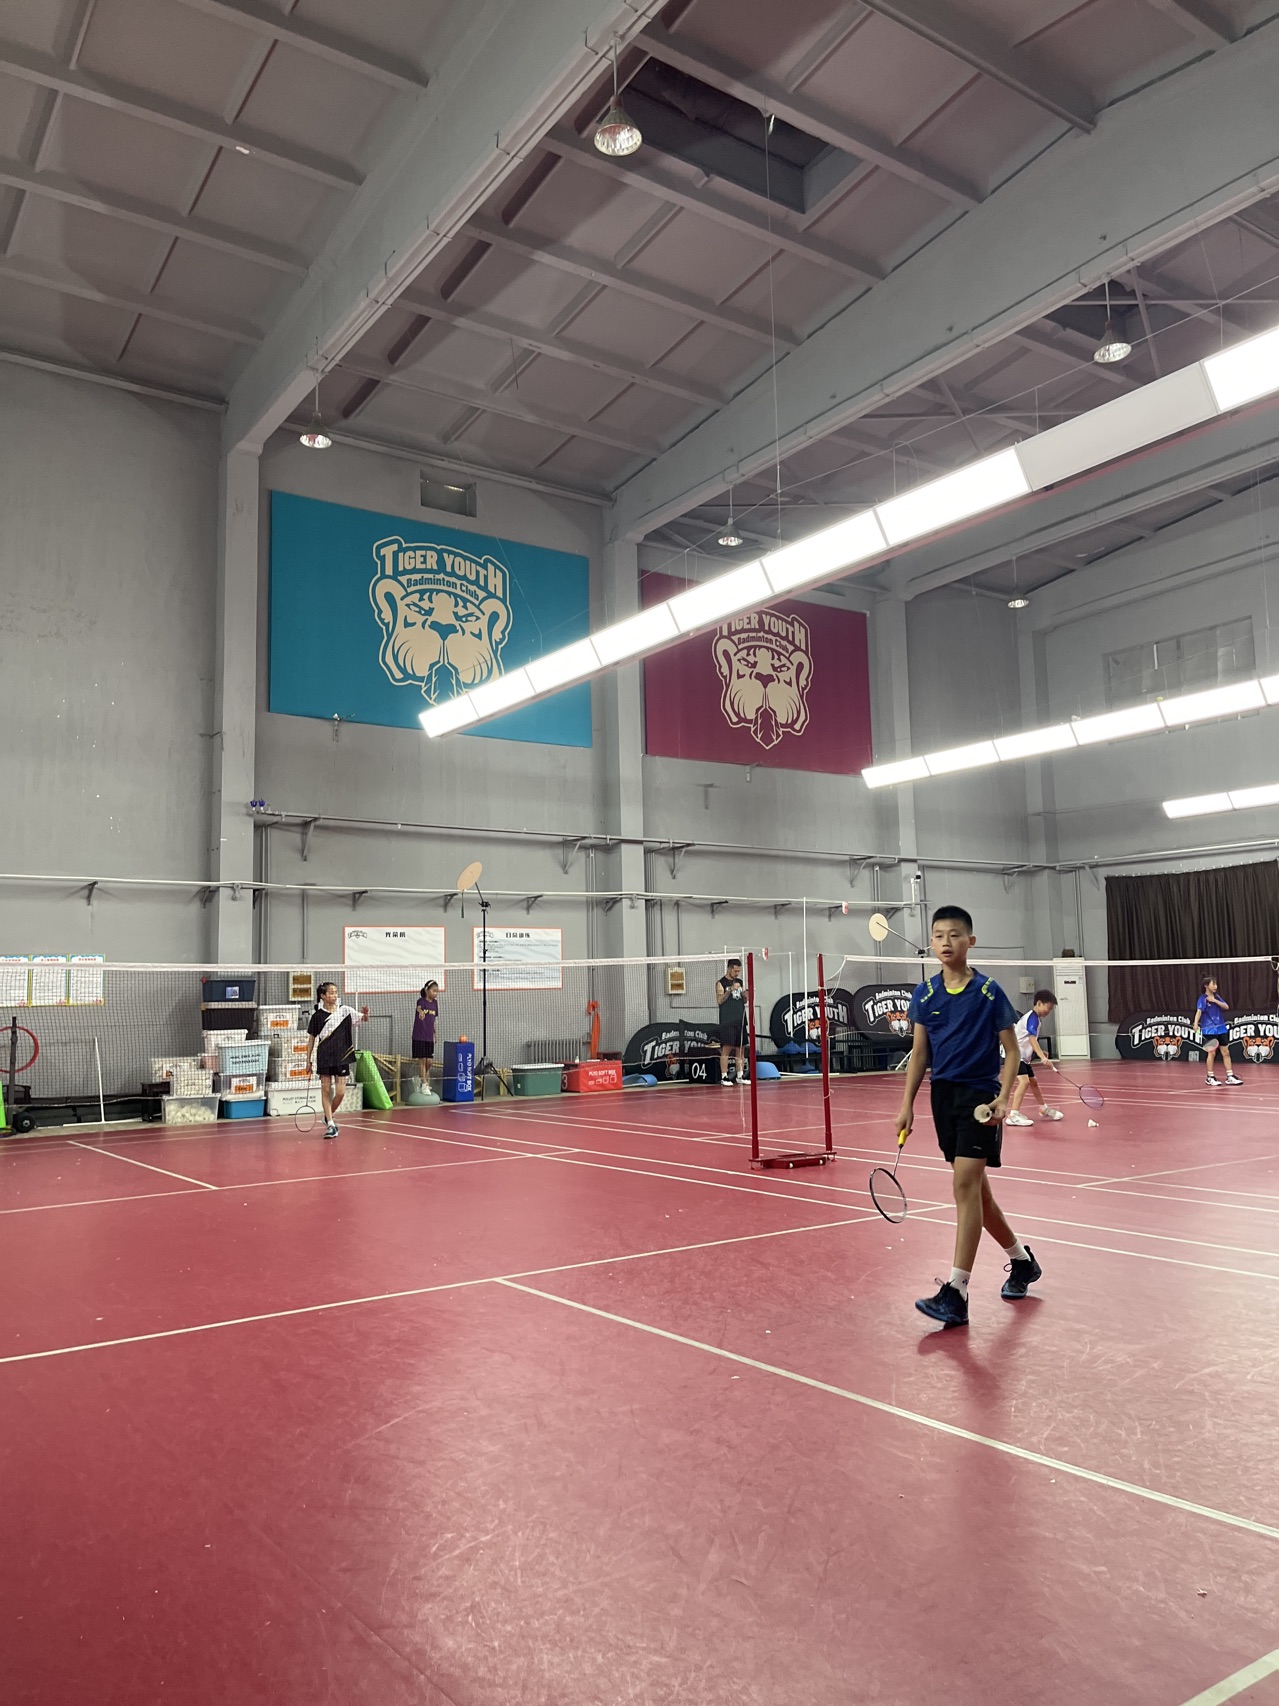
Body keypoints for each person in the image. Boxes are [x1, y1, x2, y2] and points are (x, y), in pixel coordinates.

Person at [896, 905, 1041, 1327]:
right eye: (939, 935)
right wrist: (906, 1105)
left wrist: (1003, 1098)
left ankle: (956, 1293)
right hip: (943, 1097)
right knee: (979, 1196)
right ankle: (1022, 1262)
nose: (946, 942)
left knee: (963, 1187)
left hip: (980, 1099)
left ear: (970, 941)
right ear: (931, 942)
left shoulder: (989, 992)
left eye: (955, 934)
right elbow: (919, 1054)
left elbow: (1012, 1051)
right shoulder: (924, 994)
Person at [306, 982, 369, 1138]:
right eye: (331, 992)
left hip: (342, 1057)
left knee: (340, 1093)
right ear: (323, 996)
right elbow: (311, 1040)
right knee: (326, 1091)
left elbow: (363, 1019)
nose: (334, 995)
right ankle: (331, 1124)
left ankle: (328, 1116)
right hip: (324, 1058)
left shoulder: (345, 1011)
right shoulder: (317, 1016)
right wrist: (308, 1060)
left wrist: (366, 1014)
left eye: (335, 992)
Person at [1004, 990, 1065, 1127]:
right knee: (1024, 1082)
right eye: (1048, 1008)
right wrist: (1042, 1058)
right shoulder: (1032, 1018)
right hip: (1015, 1054)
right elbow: (1031, 1039)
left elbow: (1027, 1039)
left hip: (1022, 1056)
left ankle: (1043, 1108)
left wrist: (1039, 1052)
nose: (1048, 1012)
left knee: (1033, 1082)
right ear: (1039, 1003)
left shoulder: (1034, 1019)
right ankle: (1013, 1115)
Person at [1194, 976, 1241, 1087]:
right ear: (1206, 986)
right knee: (1212, 1053)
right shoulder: (1202, 999)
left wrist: (1215, 1001)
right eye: (1213, 984)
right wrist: (1195, 1024)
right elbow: (1199, 1012)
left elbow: (1226, 1006)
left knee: (1226, 1052)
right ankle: (1210, 1077)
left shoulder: (1217, 997)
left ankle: (1230, 1076)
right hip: (1209, 1030)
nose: (1215, 986)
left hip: (1221, 1028)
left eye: (1216, 984)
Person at [716, 958, 749, 1085]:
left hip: (740, 1019)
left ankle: (740, 1075)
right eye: (735, 971)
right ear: (729, 969)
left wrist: (745, 995)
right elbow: (719, 1001)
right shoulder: (721, 983)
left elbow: (744, 1001)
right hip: (727, 1021)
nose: (737, 973)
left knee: (740, 1048)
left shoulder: (739, 982)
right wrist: (730, 990)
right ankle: (724, 1076)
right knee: (727, 1048)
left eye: (738, 971)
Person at [413, 981, 440, 1077]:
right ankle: (424, 1083)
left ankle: (420, 1077)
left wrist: (435, 1034)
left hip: (429, 1037)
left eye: (437, 991)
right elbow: (418, 1008)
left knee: (429, 1062)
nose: (435, 993)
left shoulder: (435, 1003)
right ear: (426, 990)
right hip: (419, 1036)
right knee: (422, 1060)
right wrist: (420, 1012)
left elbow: (433, 1020)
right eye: (434, 991)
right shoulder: (421, 1001)